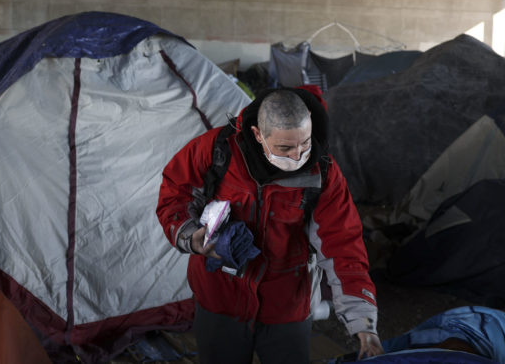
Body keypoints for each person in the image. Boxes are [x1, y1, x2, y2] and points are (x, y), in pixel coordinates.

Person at [156, 87, 383, 363]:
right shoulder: (216, 151)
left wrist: (364, 324)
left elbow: (343, 245)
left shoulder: (322, 173)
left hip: (287, 308)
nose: (297, 156)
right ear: (257, 134)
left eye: (304, 143)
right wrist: (193, 238)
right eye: (284, 148)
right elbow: (174, 195)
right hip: (220, 300)